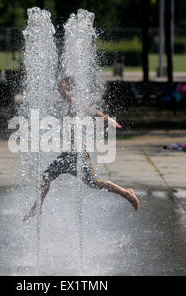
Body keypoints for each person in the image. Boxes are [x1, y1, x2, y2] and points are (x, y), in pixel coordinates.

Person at [23, 78, 140, 222]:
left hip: (79, 154)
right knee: (46, 176)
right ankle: (38, 206)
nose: (61, 91)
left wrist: (107, 119)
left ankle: (126, 193)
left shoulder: (74, 103)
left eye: (65, 87)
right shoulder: (73, 104)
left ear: (70, 89)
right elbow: (90, 110)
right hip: (69, 154)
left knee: (94, 182)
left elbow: (91, 110)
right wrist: (107, 119)